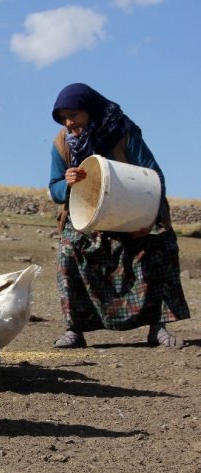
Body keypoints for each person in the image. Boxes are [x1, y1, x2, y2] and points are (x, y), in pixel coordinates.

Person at [48, 83, 190, 348]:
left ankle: (158, 328)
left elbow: (153, 175)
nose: (69, 122)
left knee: (159, 244)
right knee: (69, 249)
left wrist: (147, 219)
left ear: (89, 110)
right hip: (88, 218)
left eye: (74, 115)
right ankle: (74, 330)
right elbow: (54, 190)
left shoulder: (123, 131)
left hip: (131, 213)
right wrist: (66, 182)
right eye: (63, 117)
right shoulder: (62, 144)